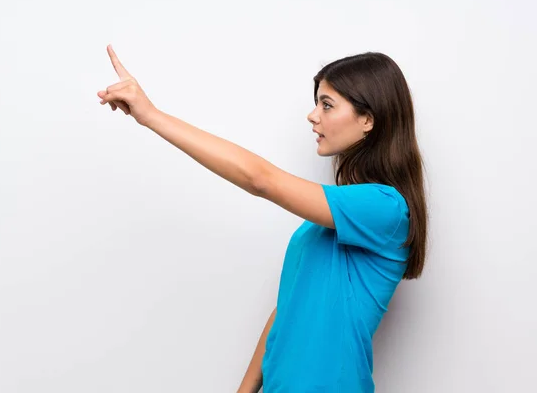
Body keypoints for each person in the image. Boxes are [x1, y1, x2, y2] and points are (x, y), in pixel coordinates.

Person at [97, 45, 427, 392]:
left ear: (368, 119)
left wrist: (151, 116)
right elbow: (286, 311)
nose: (313, 116)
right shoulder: (323, 224)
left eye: (327, 105)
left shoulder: (386, 207)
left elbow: (260, 180)